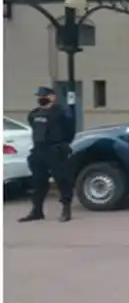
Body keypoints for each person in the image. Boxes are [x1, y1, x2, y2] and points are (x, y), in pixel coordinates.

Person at [19, 86, 76, 223]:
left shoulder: (62, 113)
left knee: (62, 180)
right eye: (39, 96)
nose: (40, 98)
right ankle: (37, 211)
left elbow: (70, 131)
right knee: (38, 181)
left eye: (44, 96)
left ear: (52, 97)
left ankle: (66, 209)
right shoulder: (34, 114)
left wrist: (62, 145)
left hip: (55, 150)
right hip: (39, 151)